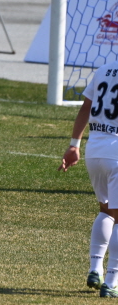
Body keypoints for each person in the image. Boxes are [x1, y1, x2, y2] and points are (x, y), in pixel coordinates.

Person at [59, 59, 118, 297]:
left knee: (106, 211)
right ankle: (111, 282)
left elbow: (86, 107)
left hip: (95, 150)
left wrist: (74, 145)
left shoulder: (103, 70)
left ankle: (95, 269)